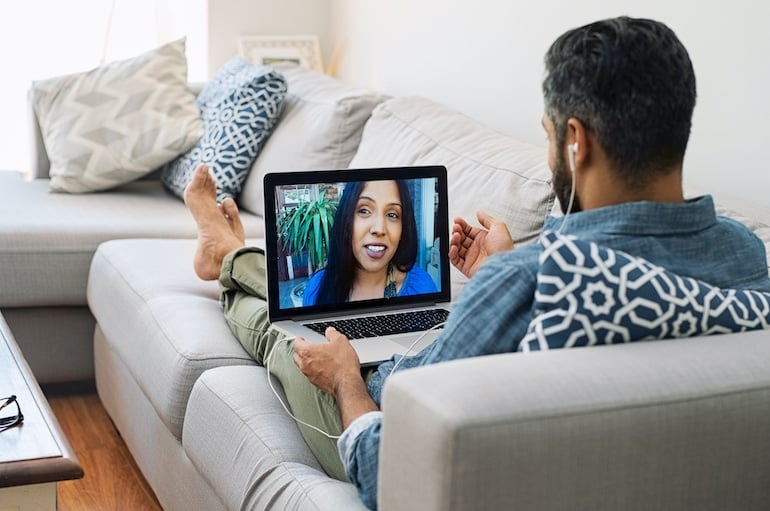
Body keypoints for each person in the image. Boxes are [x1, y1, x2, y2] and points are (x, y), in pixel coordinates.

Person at [184, 16, 770, 510]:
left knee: (284, 337)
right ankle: (233, 254)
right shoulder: (747, 256)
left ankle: (229, 253)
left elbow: (390, 467)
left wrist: (344, 381)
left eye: (547, 137)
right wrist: (504, 267)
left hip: (383, 406)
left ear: (575, 141)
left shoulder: (535, 282)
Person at [302, 179, 437, 306]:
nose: (379, 229)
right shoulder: (317, 289)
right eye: (364, 211)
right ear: (346, 219)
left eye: (392, 214)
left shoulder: (422, 287)